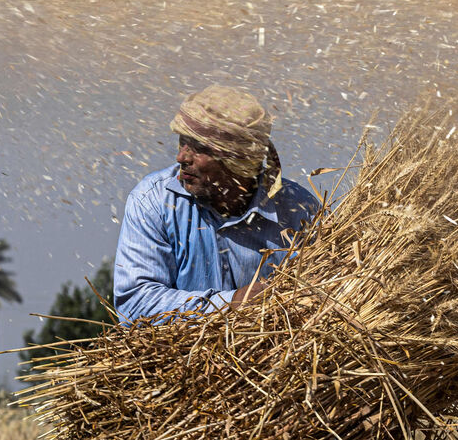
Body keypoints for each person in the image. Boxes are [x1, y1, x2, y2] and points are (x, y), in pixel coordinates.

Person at [113, 85, 319, 323]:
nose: (182, 157)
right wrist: (230, 304)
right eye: (182, 142)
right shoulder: (153, 201)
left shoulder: (300, 211)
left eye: (198, 148)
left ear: (238, 160)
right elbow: (134, 304)